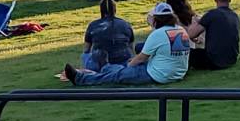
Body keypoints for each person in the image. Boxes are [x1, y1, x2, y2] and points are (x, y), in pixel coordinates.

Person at [60, 6, 193, 86]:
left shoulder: (158, 33)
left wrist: (128, 66)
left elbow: (140, 58)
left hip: (158, 74)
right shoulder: (180, 31)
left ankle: (81, 78)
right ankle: (106, 67)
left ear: (157, 19)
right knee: (123, 68)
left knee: (118, 75)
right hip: (176, 72)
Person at [186, 0, 240, 70]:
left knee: (187, 53)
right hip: (232, 59)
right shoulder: (235, 16)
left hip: (213, 61)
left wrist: (195, 21)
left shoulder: (211, 15)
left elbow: (191, 34)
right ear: (229, 0)